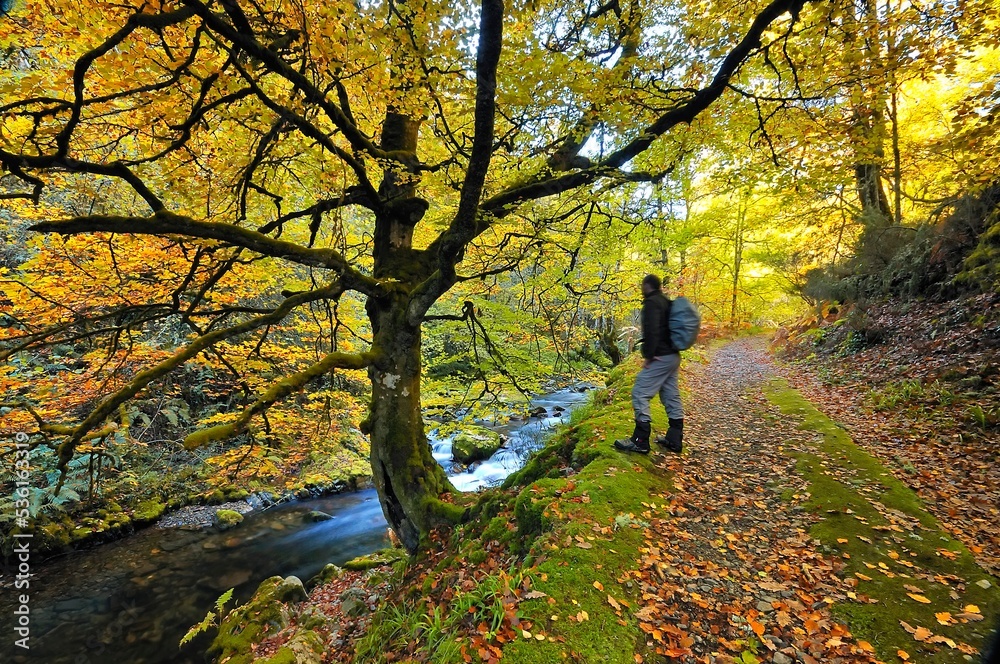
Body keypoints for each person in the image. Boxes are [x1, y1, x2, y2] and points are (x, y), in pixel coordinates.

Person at [614, 274, 684, 454]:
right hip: (673, 355)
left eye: (642, 286)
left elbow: (652, 331)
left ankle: (640, 440)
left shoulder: (652, 303)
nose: (641, 289)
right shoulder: (666, 302)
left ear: (647, 286)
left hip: (661, 356)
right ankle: (675, 439)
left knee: (640, 393)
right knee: (670, 395)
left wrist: (649, 355)